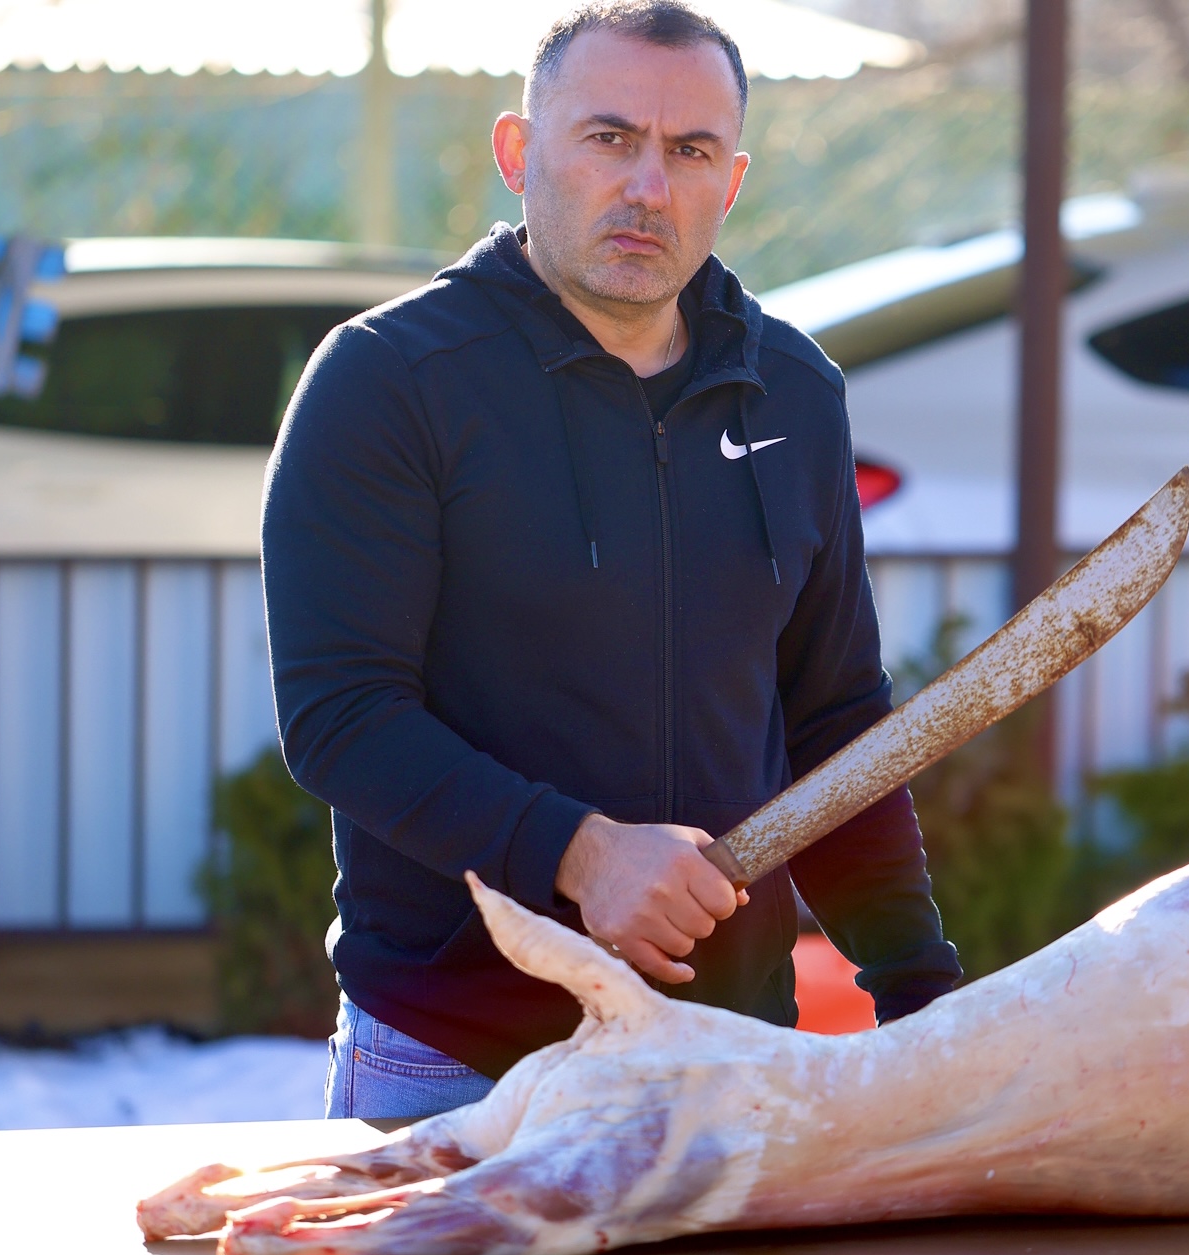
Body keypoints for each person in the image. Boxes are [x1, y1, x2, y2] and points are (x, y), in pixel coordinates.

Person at [263, 0, 962, 1121]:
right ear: (516, 152)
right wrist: (578, 855)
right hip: (460, 1059)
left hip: (734, 1053)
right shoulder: (390, 380)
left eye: (688, 152)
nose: (649, 186)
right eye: (608, 139)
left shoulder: (795, 392)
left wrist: (922, 998)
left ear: (729, 184)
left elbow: (834, 720)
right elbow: (339, 716)